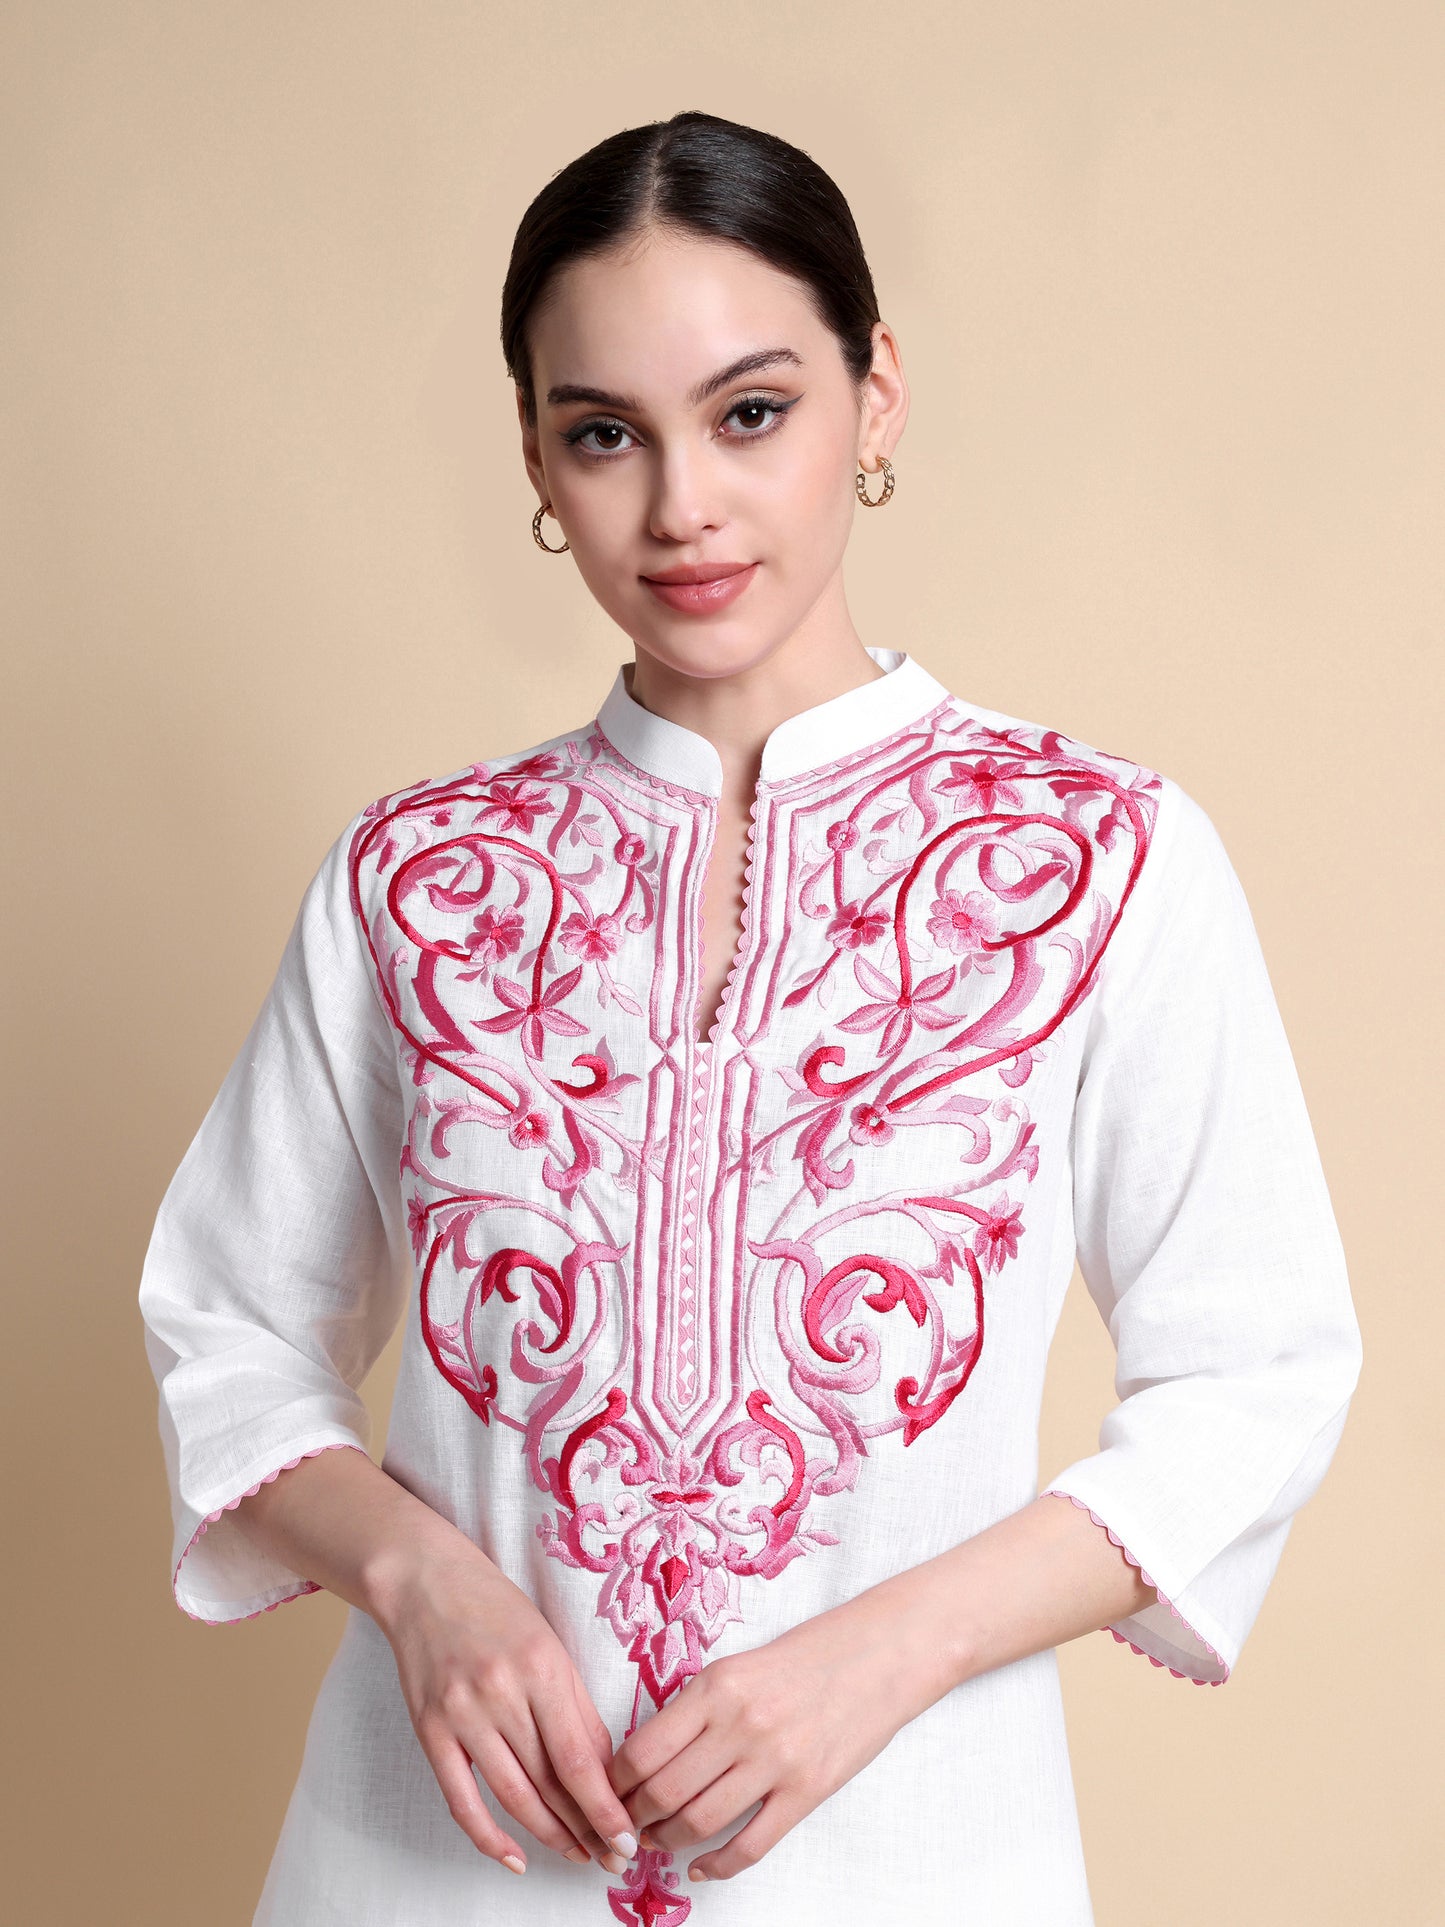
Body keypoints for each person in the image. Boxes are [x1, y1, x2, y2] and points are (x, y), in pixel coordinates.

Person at [137, 110, 1364, 1926]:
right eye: (603, 434)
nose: (681, 504)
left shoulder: (1098, 857)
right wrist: (425, 1585)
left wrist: (885, 1650)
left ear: (875, 401)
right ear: (538, 467)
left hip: (915, 1859)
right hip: (430, 1863)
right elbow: (229, 1325)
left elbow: (1255, 1375)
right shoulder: (420, 878)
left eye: (752, 412)